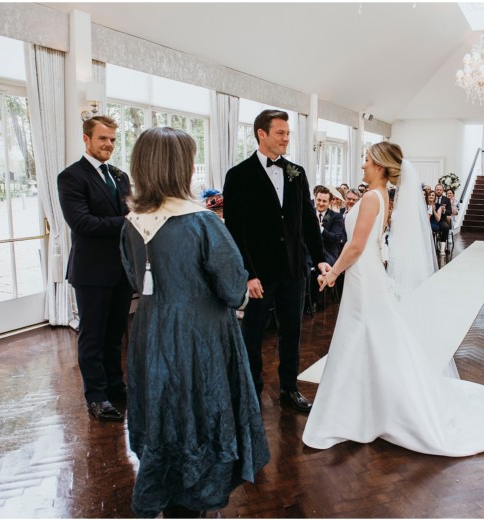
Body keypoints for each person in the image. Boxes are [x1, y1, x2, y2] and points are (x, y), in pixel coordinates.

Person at [302, 142, 484, 456]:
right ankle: (364, 407)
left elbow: (356, 246)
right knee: (369, 338)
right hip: (365, 276)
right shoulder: (381, 197)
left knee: (362, 336)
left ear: (379, 165)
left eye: (366, 159)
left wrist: (333, 272)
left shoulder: (370, 198)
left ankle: (361, 410)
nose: (362, 164)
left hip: (362, 278)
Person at [120, 127, 269, 518]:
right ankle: (199, 494)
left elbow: (135, 280)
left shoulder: (131, 223)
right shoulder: (203, 223)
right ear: (180, 168)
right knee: (201, 411)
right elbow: (234, 288)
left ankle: (165, 485)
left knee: (163, 409)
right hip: (200, 335)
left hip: (150, 332)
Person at [223, 109, 330, 413]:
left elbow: (308, 219)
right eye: (280, 133)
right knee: (253, 332)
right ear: (262, 134)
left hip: (294, 269)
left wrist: (319, 258)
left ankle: (289, 388)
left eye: (287, 133)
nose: (286, 138)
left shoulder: (296, 172)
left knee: (292, 332)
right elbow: (235, 230)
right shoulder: (238, 175)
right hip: (259, 273)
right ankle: (251, 390)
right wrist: (247, 274)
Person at [57, 115, 133, 422]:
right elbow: (82, 223)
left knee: (116, 334)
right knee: (92, 335)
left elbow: (132, 211)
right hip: (91, 271)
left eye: (113, 139)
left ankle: (115, 385)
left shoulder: (120, 175)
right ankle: (96, 395)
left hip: (121, 269)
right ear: (86, 139)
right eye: (103, 139)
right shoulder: (71, 177)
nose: (109, 145)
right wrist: (128, 223)